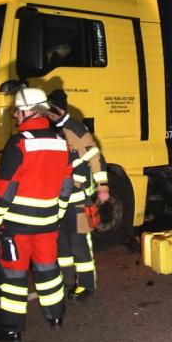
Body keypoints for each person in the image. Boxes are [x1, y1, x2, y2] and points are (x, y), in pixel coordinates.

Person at [0, 87, 71, 342]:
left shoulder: (18, 143)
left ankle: (10, 329)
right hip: (48, 224)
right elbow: (66, 187)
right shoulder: (61, 143)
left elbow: (4, 190)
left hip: (17, 227)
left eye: (18, 111)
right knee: (48, 270)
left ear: (30, 111)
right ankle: (56, 315)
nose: (15, 115)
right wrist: (56, 215)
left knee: (13, 276)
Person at [47, 89, 110, 301]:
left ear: (59, 109)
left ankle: (86, 285)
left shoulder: (75, 128)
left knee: (79, 244)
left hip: (78, 201)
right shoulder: (51, 130)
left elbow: (96, 159)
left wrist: (102, 186)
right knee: (62, 247)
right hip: (58, 202)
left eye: (50, 110)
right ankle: (67, 282)